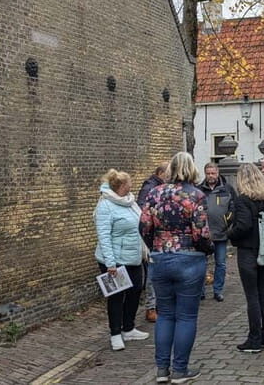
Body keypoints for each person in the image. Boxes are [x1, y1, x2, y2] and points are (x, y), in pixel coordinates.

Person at [140, 152, 210, 384]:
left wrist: (157, 246)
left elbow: (144, 227)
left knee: (165, 315)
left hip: (161, 257)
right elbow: (201, 233)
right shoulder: (196, 195)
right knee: (186, 316)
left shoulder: (154, 193)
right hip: (189, 257)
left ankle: (162, 370)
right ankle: (180, 370)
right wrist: (205, 249)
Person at [94, 169, 150, 351]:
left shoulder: (130, 202)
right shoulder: (105, 205)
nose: (131, 186)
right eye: (128, 184)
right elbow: (104, 236)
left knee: (136, 291)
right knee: (116, 296)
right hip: (114, 260)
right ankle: (115, 334)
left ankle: (129, 328)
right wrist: (110, 263)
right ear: (120, 186)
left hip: (133, 257)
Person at [224, 163, 264, 353]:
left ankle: (254, 339)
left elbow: (243, 226)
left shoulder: (243, 200)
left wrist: (229, 233)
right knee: (263, 292)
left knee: (252, 295)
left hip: (248, 250)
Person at [198, 163, 236, 302]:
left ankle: (218, 290)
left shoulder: (227, 189)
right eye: (208, 173)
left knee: (221, 263)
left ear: (218, 172)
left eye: (213, 173)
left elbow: (233, 208)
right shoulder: (199, 190)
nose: (211, 176)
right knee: (202, 264)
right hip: (204, 234)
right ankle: (200, 291)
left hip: (221, 232)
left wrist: (227, 222)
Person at [137, 162, 169, 323]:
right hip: (153, 237)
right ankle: (151, 307)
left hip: (160, 239)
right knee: (152, 273)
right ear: (162, 173)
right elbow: (144, 212)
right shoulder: (150, 187)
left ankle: (158, 305)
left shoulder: (162, 187)